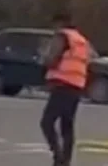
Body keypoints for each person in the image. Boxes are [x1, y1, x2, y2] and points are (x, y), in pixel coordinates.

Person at [40, 11, 91, 166]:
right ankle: (65, 161)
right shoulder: (81, 40)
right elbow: (90, 60)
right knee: (67, 125)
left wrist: (43, 57)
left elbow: (51, 60)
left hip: (62, 84)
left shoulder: (62, 36)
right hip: (76, 86)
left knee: (47, 122)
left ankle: (58, 157)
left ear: (59, 23)